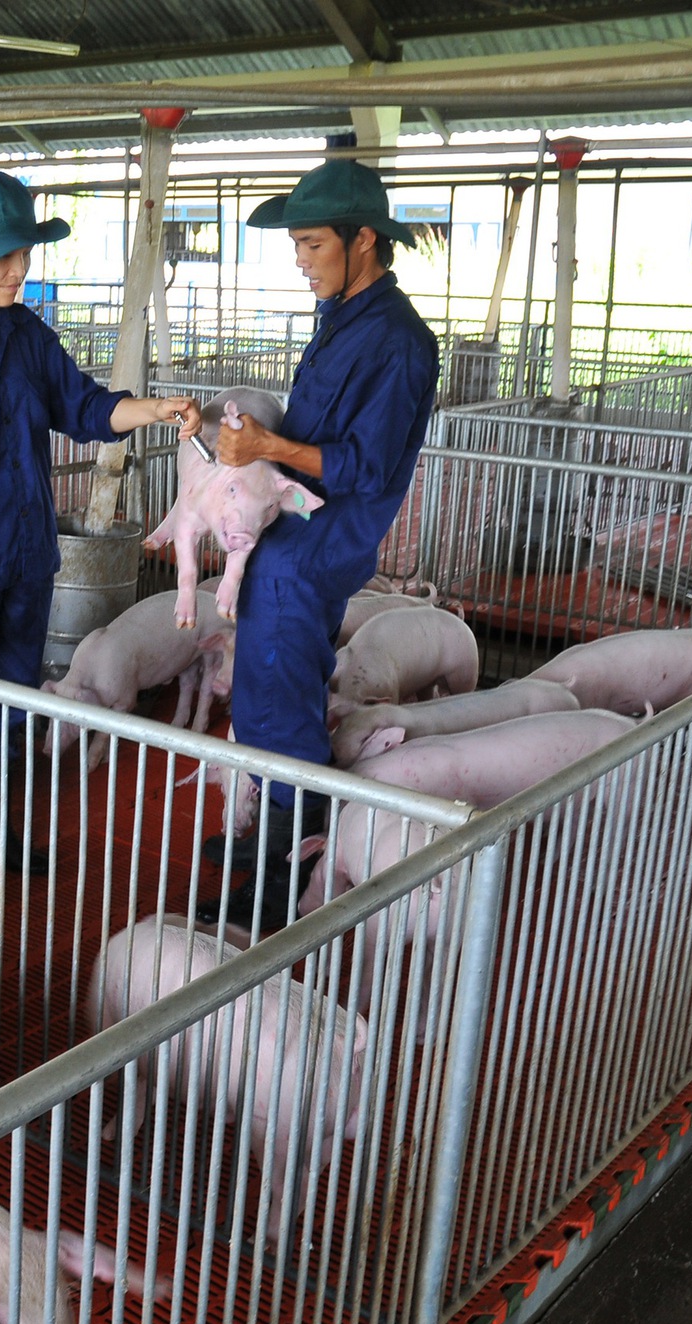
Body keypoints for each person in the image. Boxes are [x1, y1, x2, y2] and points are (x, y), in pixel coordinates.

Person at [0, 169, 201, 888]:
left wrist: (152, 409)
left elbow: (84, 408)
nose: (18, 269)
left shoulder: (27, 336)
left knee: (10, 704)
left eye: (24, 252)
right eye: (3, 256)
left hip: (27, 564)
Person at [196, 159, 441, 931]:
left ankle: (283, 883)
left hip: (315, 547)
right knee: (273, 693)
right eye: (297, 246)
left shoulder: (398, 342)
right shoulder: (343, 318)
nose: (301, 261)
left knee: (280, 708)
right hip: (289, 536)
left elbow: (366, 464)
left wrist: (267, 446)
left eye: (312, 245)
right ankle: (277, 841)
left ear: (363, 238)